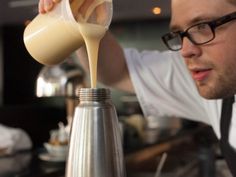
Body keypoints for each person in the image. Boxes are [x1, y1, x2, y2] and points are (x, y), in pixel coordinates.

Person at [38, 0, 236, 175]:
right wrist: (78, 13)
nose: (185, 51)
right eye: (178, 34)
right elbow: (119, 72)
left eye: (202, 26)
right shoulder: (210, 81)